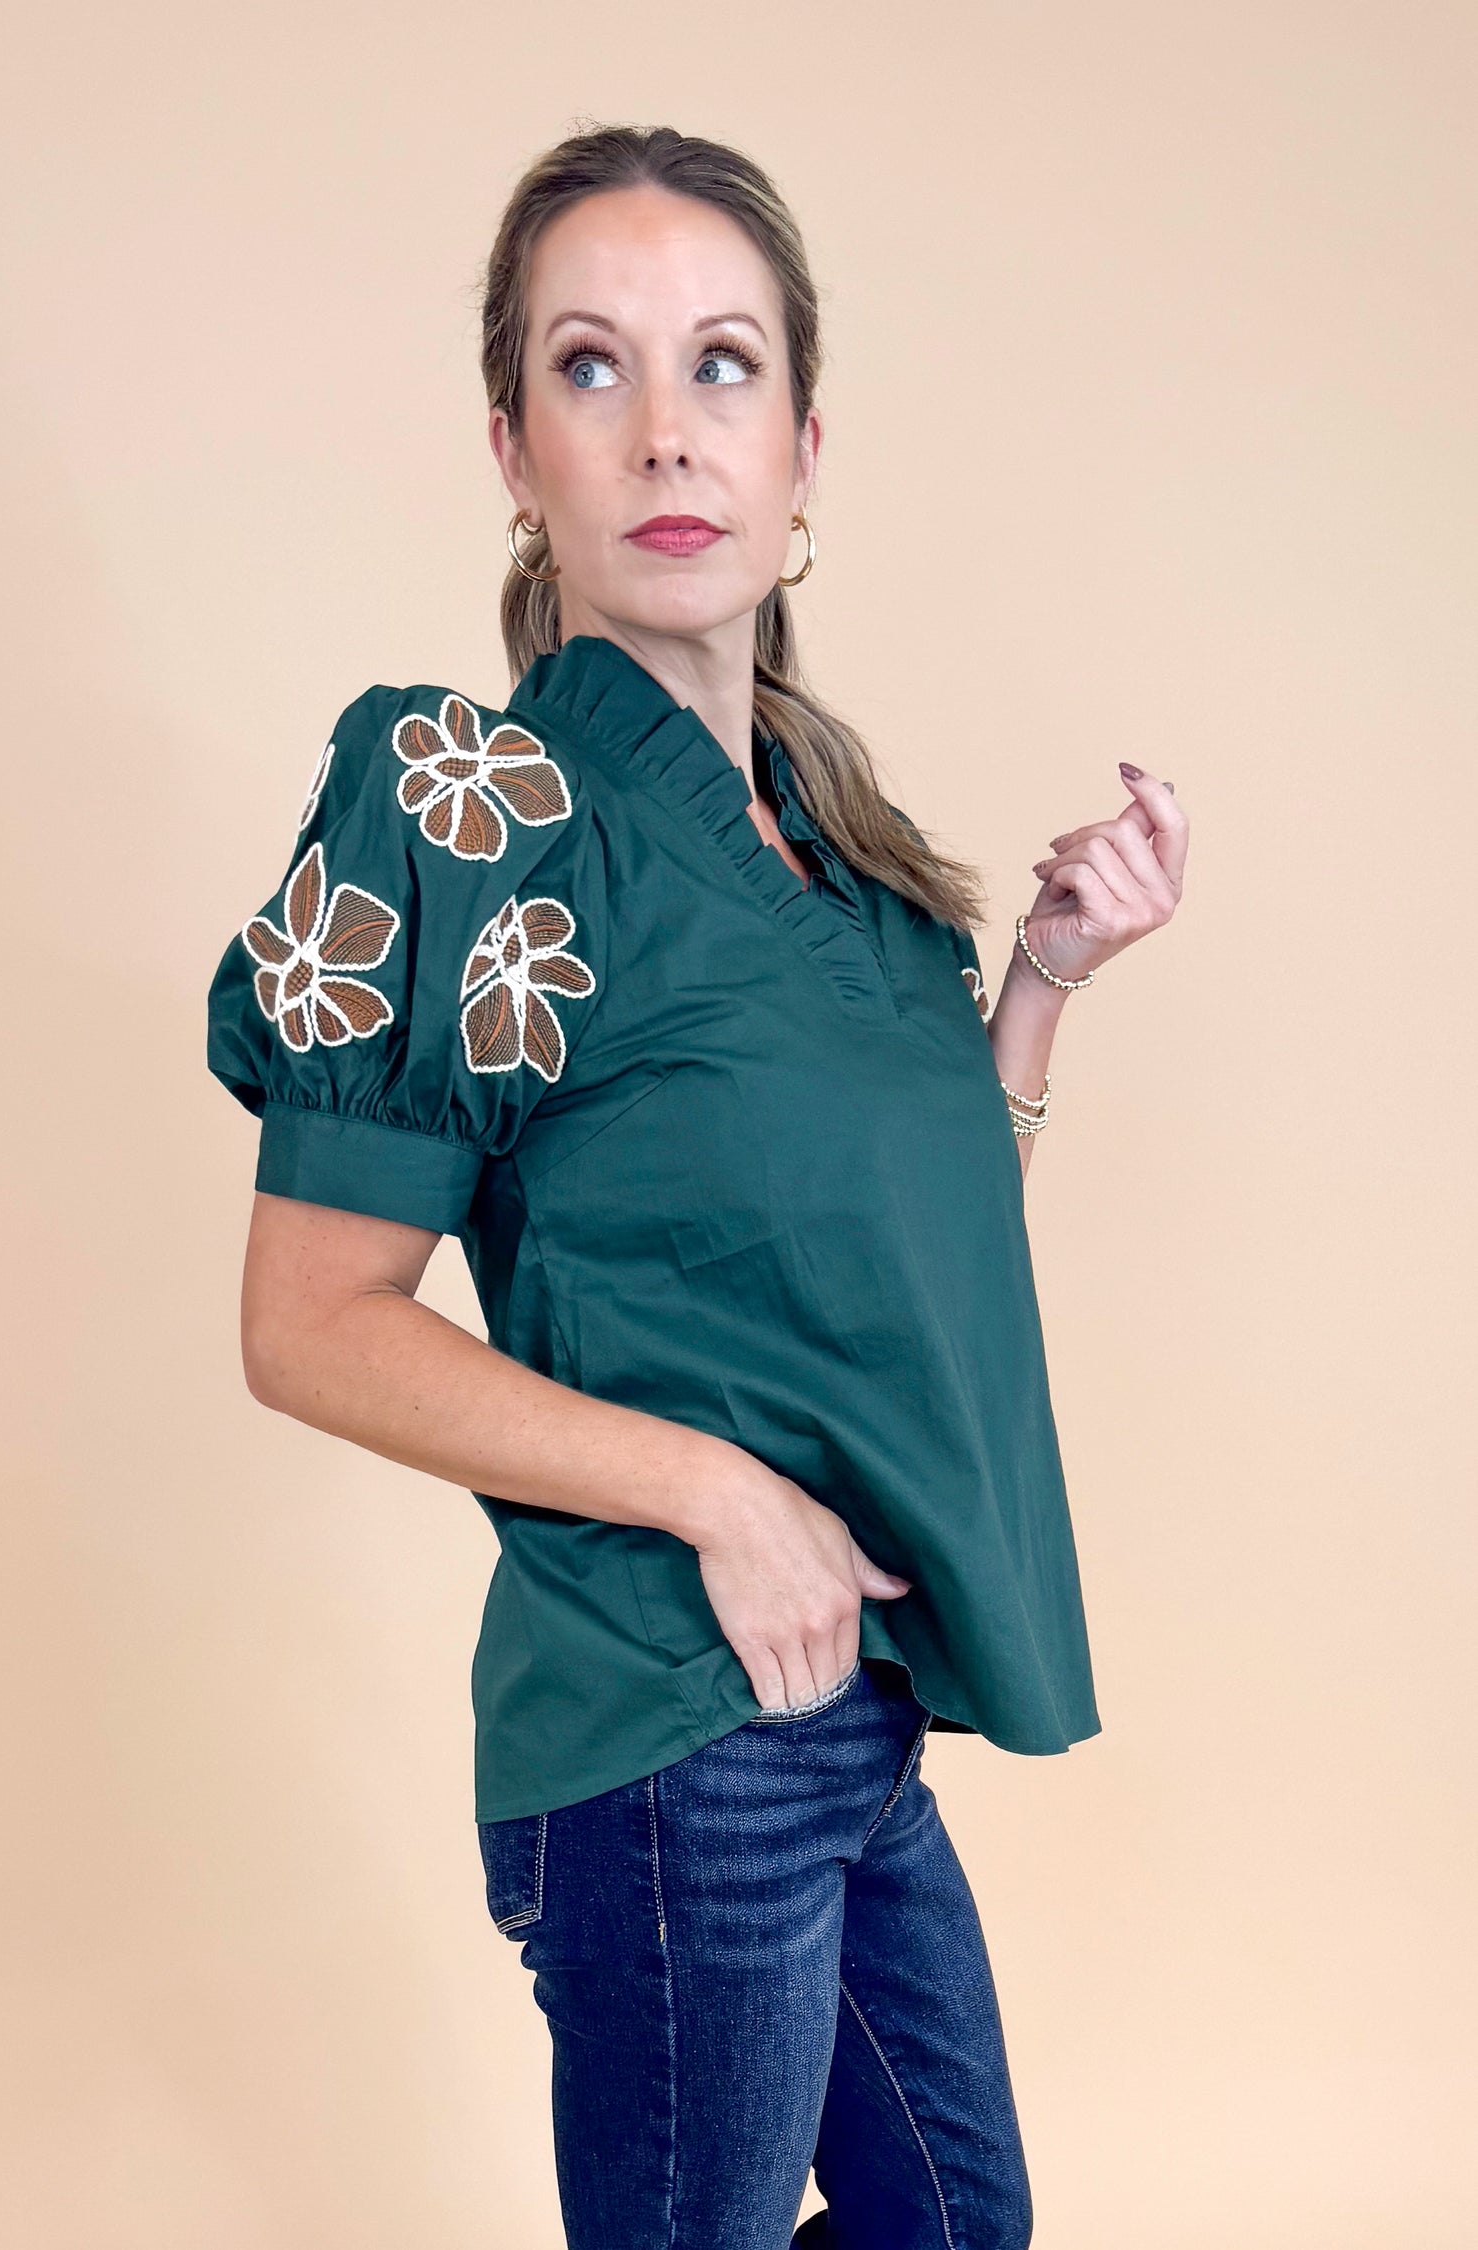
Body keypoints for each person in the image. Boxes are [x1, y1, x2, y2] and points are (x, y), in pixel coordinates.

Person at [207, 123, 1188, 2250]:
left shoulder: (847, 867)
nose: (665, 425)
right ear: (512, 443)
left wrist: (1034, 990)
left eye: (722, 364)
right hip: (668, 1722)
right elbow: (308, 1326)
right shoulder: (467, 811)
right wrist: (720, 1495)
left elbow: (906, 1284)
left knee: (956, 2224)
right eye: (592, 365)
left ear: (806, 446)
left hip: (843, 1705)